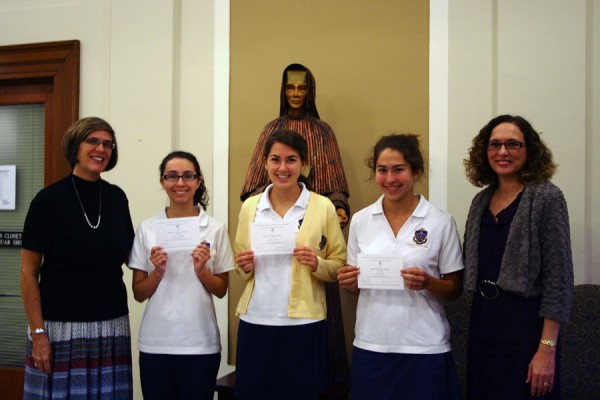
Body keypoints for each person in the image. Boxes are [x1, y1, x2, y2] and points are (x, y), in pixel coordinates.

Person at [240, 63, 351, 387]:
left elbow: (336, 182)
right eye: (290, 88)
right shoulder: (270, 130)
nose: (296, 94)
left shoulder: (323, 132)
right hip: (259, 315)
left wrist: (340, 206)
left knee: (308, 379)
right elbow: (250, 190)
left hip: (306, 310)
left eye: (302, 88)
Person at [337, 134, 463, 400]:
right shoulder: (361, 221)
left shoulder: (440, 221)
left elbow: (454, 288)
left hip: (424, 346)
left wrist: (428, 282)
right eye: (382, 170)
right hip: (372, 344)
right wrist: (350, 283)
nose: (390, 179)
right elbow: (356, 288)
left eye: (399, 170)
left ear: (415, 171)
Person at [20, 117, 134, 399]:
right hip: (59, 330)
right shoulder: (48, 201)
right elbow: (27, 272)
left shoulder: (117, 198)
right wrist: (38, 332)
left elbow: (134, 255)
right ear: (75, 146)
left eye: (108, 144)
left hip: (111, 326)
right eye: (93, 141)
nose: (101, 149)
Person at [463, 114, 574, 399]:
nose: (502, 152)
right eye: (494, 144)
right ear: (484, 151)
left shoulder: (547, 198)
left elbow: (559, 280)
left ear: (529, 150)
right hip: (483, 325)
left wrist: (546, 349)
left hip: (526, 328)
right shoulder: (480, 201)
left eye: (513, 144)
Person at [129, 151, 234, 400]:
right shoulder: (147, 228)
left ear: (198, 181)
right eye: (172, 176)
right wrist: (158, 272)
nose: (180, 183)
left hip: (200, 341)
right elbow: (138, 293)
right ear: (162, 181)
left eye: (188, 176)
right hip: (157, 342)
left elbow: (221, 290)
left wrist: (201, 271)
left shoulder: (215, 228)